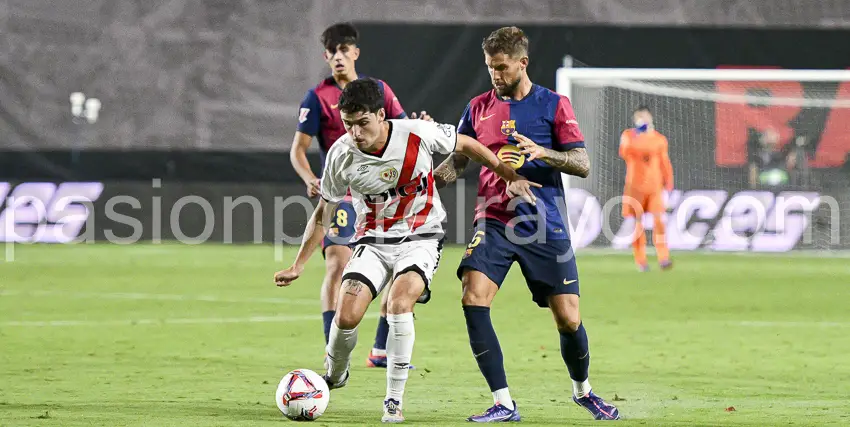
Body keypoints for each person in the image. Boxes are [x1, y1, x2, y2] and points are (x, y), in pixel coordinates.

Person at [275, 78, 537, 422]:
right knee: (347, 313)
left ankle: (393, 401)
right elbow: (324, 212)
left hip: (421, 238)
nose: (355, 132)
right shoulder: (340, 155)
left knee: (399, 304)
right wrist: (298, 264)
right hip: (372, 241)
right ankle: (336, 373)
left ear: (382, 116)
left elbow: (468, 144)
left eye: (362, 123)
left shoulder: (416, 133)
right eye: (348, 124)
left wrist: (507, 173)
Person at [433, 26, 620, 421]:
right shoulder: (478, 107)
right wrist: (425, 177)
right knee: (473, 297)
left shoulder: (554, 105)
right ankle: (503, 402)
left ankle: (583, 391)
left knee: (569, 318)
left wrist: (544, 153)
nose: (495, 76)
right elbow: (458, 163)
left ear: (523, 63)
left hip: (543, 224)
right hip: (494, 220)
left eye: (501, 68)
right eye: (489, 68)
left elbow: (582, 164)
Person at [290, 22, 430, 368]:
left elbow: (399, 129)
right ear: (326, 57)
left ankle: (381, 349)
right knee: (338, 265)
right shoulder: (317, 97)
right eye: (332, 52)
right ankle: (333, 348)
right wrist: (312, 178)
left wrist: (420, 126)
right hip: (343, 197)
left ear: (355, 53)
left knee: (392, 268)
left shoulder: (375, 91)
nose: (338, 57)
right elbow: (298, 149)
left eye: (344, 50)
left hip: (383, 195)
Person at [619, 106, 674, 272]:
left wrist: (669, 182)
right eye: (639, 117)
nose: (643, 119)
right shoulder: (628, 135)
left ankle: (663, 258)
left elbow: (665, 162)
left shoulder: (659, 139)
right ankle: (641, 260)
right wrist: (639, 135)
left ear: (650, 117)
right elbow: (624, 152)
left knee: (659, 222)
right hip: (634, 186)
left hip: (654, 186)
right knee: (638, 224)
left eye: (645, 116)